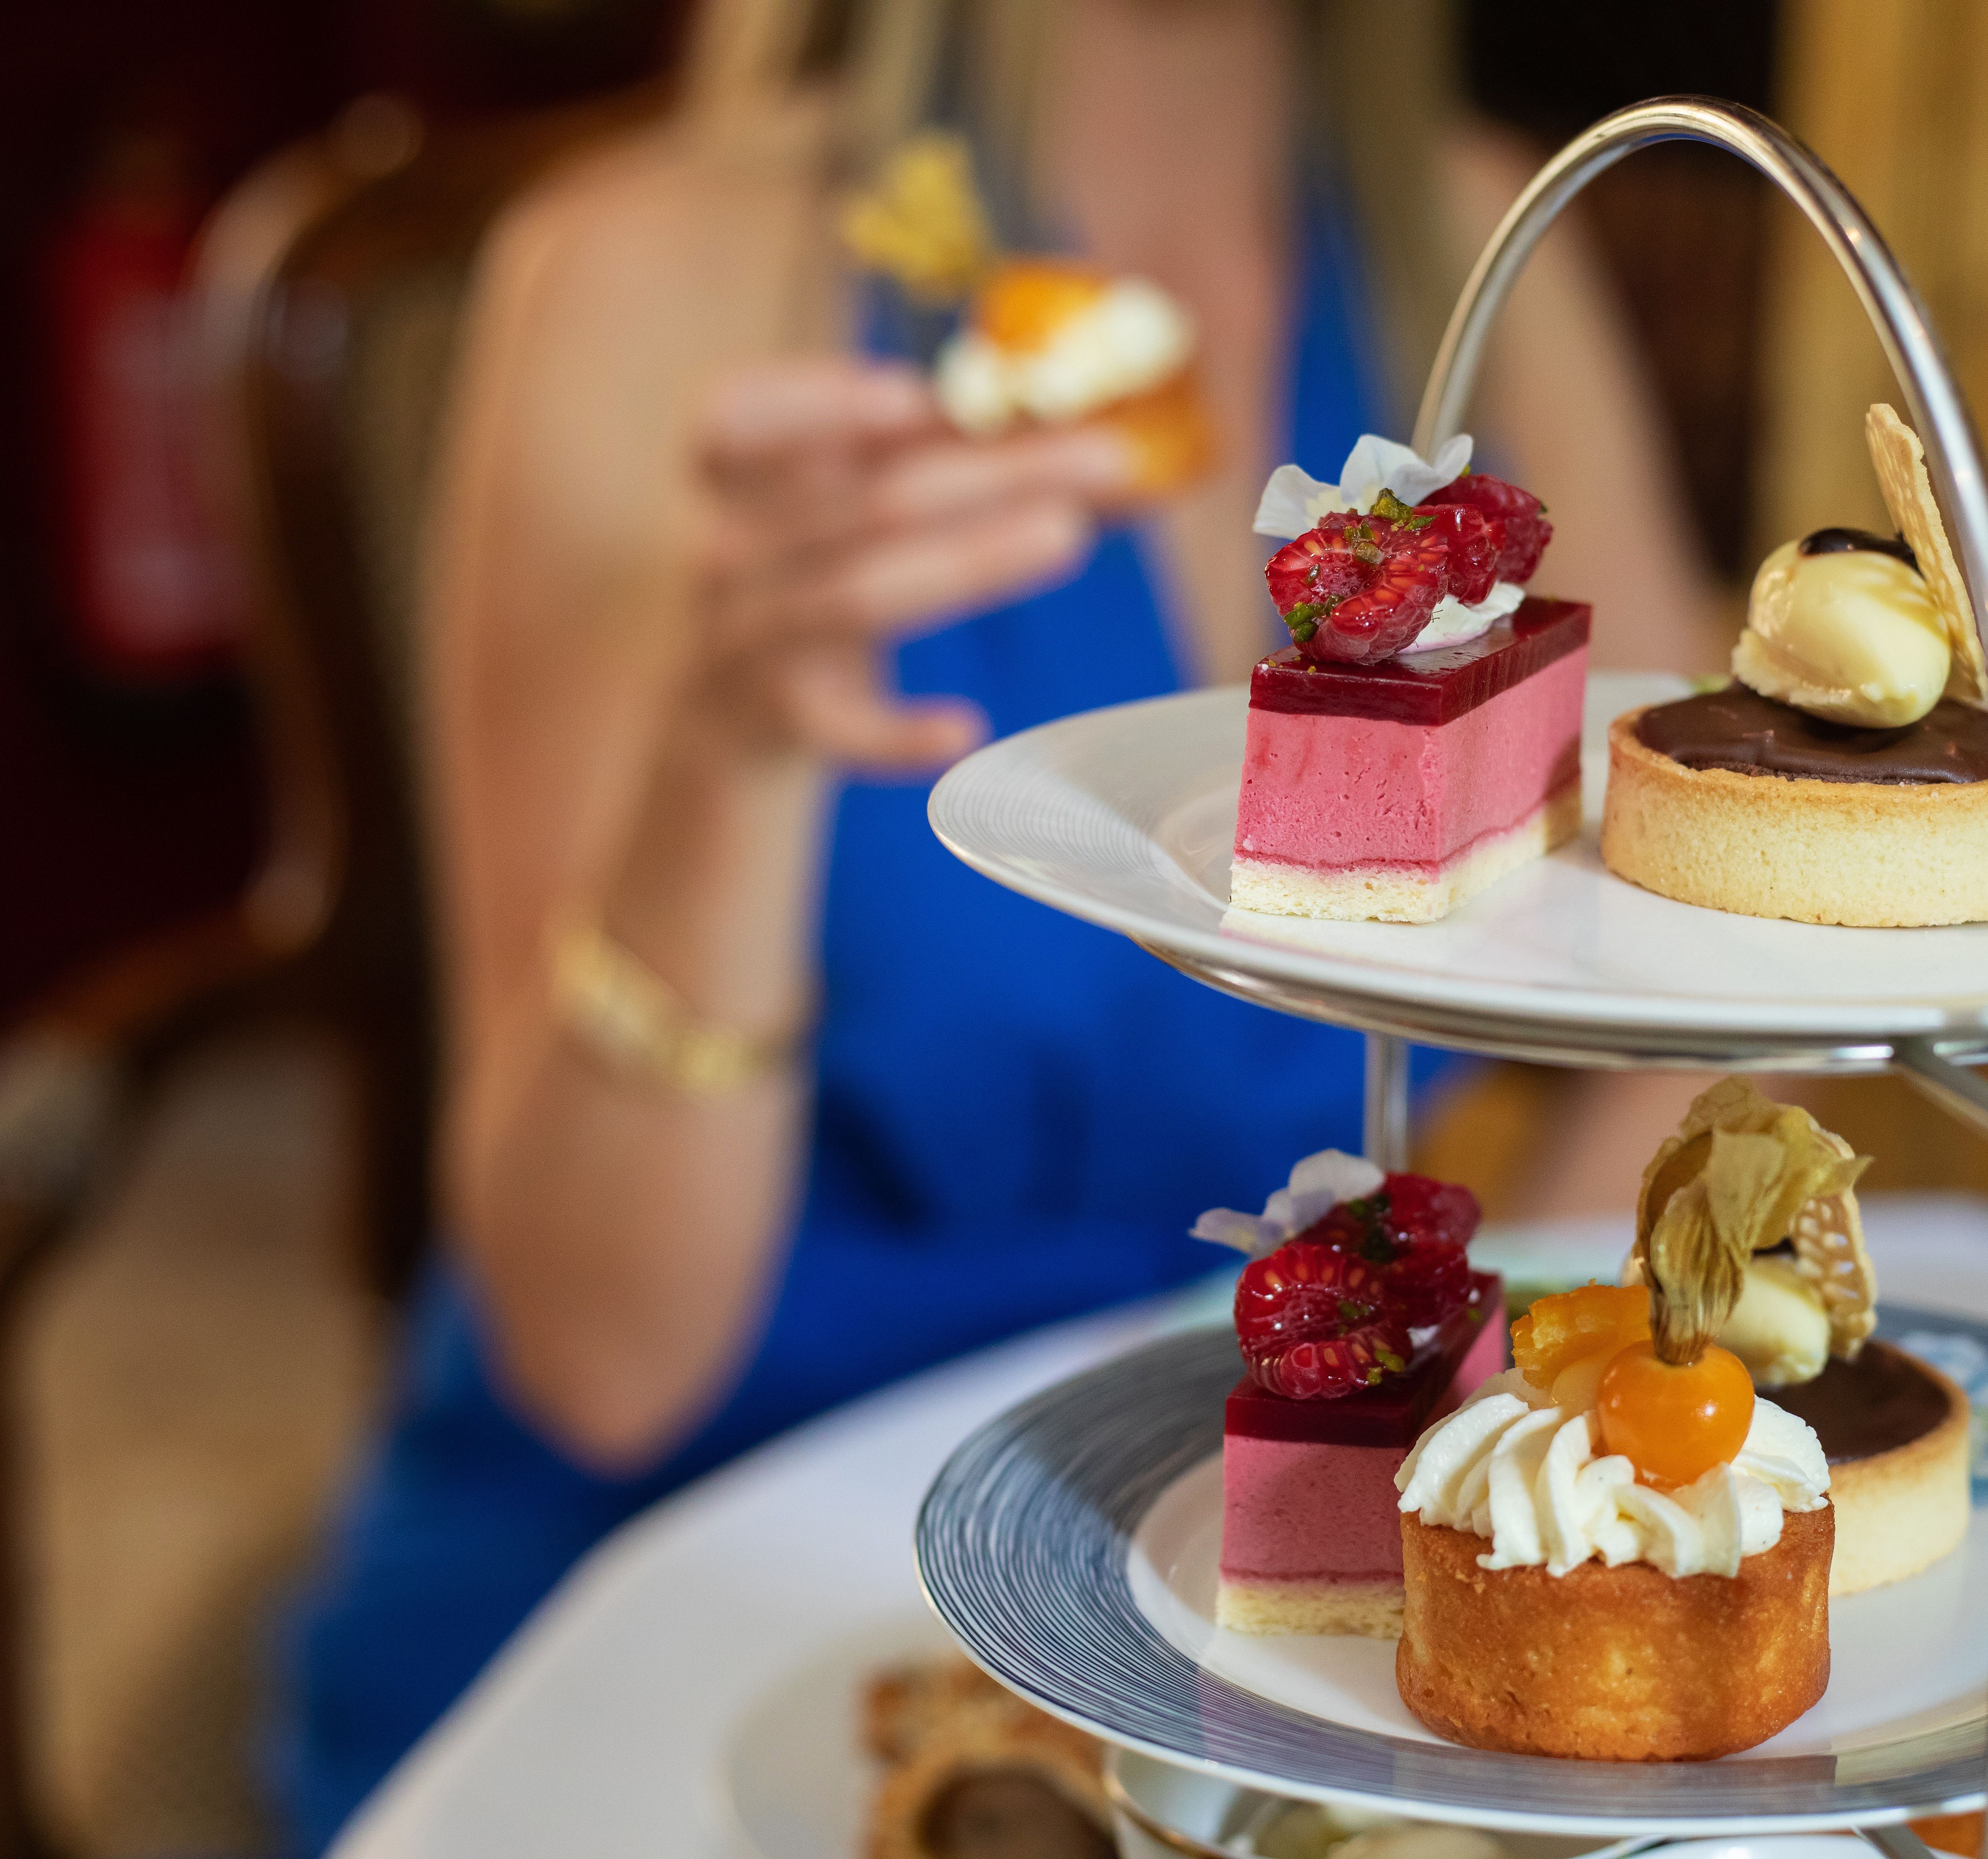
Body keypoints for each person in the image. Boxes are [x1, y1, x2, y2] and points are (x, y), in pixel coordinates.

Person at [268, 0, 1722, 1845]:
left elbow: (1687, 955)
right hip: (692, 1604)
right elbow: (602, 1362)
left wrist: (1435, 1455)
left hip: (1215, 1597)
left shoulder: (1482, 244)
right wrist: (731, 753)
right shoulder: (648, 278)